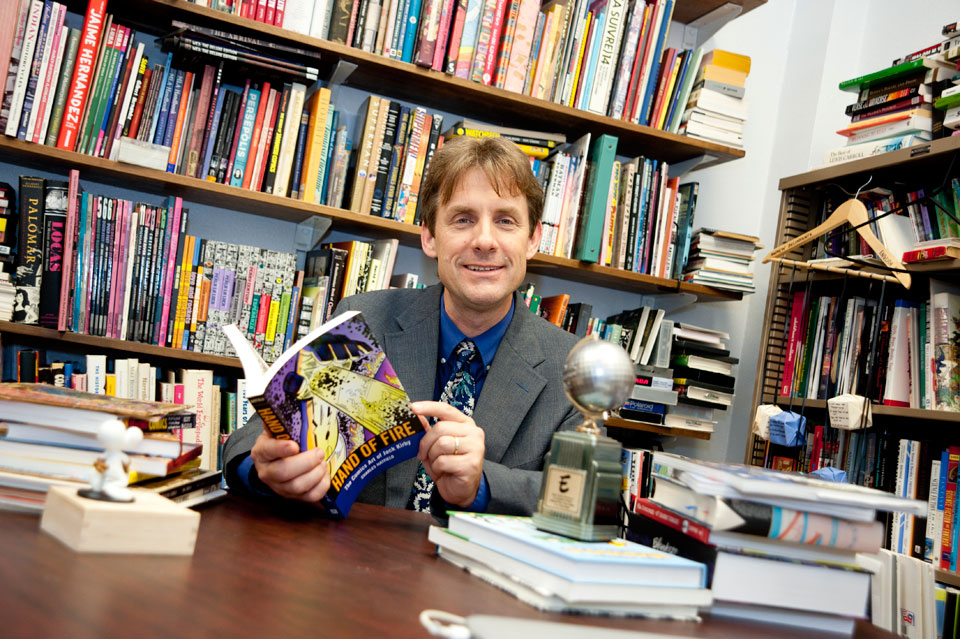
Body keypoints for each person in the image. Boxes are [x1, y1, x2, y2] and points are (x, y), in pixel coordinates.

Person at [222, 135, 581, 516]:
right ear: (429, 236)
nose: (485, 241)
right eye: (463, 220)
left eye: (506, 221)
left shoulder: (573, 370)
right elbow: (250, 440)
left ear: (533, 239)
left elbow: (589, 501)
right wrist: (264, 468)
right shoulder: (364, 322)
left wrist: (484, 484)